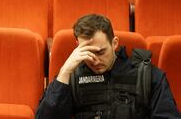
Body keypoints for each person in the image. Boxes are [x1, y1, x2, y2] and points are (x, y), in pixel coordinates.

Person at [36, 14, 181, 119]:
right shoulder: (71, 78)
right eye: (88, 52)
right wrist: (65, 72)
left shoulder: (146, 75)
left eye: (100, 52)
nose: (95, 60)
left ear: (114, 43)